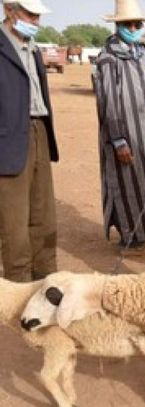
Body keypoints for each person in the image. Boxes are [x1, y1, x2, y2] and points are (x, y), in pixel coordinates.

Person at [94, 0, 145, 255]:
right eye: (128, 24)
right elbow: (108, 103)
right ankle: (130, 236)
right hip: (123, 135)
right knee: (125, 184)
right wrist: (118, 140)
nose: (134, 28)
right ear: (118, 25)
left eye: (137, 24)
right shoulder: (108, 58)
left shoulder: (140, 53)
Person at [0, 0, 58, 282]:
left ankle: (46, 283)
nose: (36, 20)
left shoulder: (32, 49)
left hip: (39, 133)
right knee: (13, 224)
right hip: (7, 142)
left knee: (44, 216)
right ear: (9, 10)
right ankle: (17, 288)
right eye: (30, 14)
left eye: (37, 15)